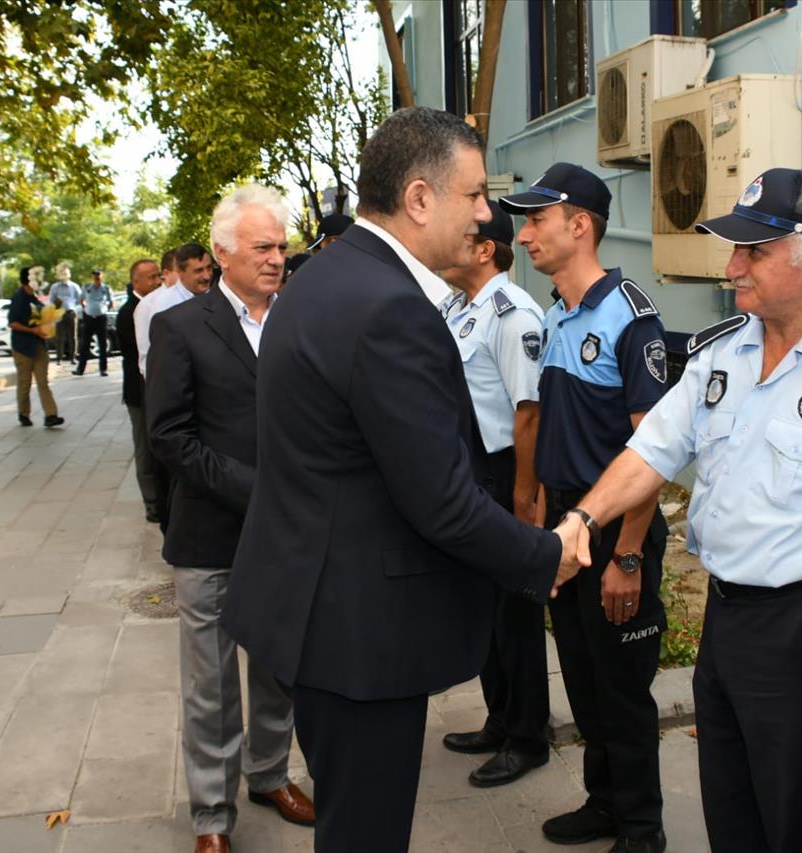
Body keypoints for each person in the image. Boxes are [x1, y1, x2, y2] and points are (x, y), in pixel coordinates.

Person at [222, 107, 589, 853]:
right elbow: (443, 503)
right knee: (366, 833)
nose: (487, 214)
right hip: (357, 633)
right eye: (476, 193)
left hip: (311, 611)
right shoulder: (390, 308)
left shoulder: (321, 279)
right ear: (420, 198)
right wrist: (546, 555)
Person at [556, 167, 802, 853]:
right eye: (734, 249)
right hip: (726, 616)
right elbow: (651, 450)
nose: (731, 267)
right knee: (730, 808)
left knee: (794, 820)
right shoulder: (720, 351)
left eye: (752, 252)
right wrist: (581, 521)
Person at [498, 162, 671, 853]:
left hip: (616, 528)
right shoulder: (556, 314)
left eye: (537, 219)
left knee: (623, 689)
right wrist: (540, 513)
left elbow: (653, 450)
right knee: (582, 676)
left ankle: (641, 826)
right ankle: (604, 801)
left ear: (580, 225)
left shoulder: (631, 314)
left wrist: (627, 553)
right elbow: (553, 428)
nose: (524, 233)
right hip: (565, 525)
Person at [147, 186, 312, 853]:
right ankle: (212, 814)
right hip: (212, 534)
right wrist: (255, 489)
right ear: (221, 254)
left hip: (286, 537)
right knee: (211, 684)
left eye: (280, 246)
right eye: (262, 247)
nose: (276, 258)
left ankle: (270, 773)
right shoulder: (181, 328)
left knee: (278, 666)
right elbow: (169, 434)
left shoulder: (299, 320)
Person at [437, 202, 552, 788]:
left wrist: (525, 500)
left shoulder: (514, 315)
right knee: (486, 608)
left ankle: (529, 736)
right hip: (470, 468)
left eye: (465, 235)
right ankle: (499, 718)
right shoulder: (458, 307)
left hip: (505, 470)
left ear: (486, 250)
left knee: (516, 614)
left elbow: (527, 414)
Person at [117, 259, 164, 523]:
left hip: (153, 389)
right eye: (150, 277)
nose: (156, 281)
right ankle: (152, 502)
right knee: (144, 447)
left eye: (158, 275)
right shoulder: (130, 312)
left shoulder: (154, 305)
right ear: (136, 282)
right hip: (139, 392)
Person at [136, 243, 213, 377]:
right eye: (198, 271)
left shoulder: (216, 298)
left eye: (209, 268)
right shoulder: (164, 305)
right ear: (181, 272)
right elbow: (152, 357)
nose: (206, 276)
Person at [8, 266, 64, 428]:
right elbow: (12, 322)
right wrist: (32, 330)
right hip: (23, 347)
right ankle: (23, 413)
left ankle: (51, 415)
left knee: (43, 382)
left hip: (39, 344)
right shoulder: (18, 298)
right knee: (24, 382)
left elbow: (44, 314)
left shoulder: (34, 298)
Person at [73, 268, 114, 376]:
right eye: (95, 277)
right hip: (89, 317)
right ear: (92, 277)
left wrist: (104, 309)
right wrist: (87, 309)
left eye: (98, 277)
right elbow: (81, 300)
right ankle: (80, 369)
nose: (97, 279)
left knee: (102, 343)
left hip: (101, 317)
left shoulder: (106, 288)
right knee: (85, 344)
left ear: (102, 277)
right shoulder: (87, 288)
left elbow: (111, 303)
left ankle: (103, 369)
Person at [48, 263, 83, 364]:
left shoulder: (74, 286)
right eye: (62, 273)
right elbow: (51, 300)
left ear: (69, 274)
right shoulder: (55, 287)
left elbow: (80, 300)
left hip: (71, 313)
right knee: (59, 337)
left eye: (66, 273)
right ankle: (59, 358)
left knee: (73, 336)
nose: (64, 275)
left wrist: (75, 310)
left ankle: (73, 357)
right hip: (59, 313)